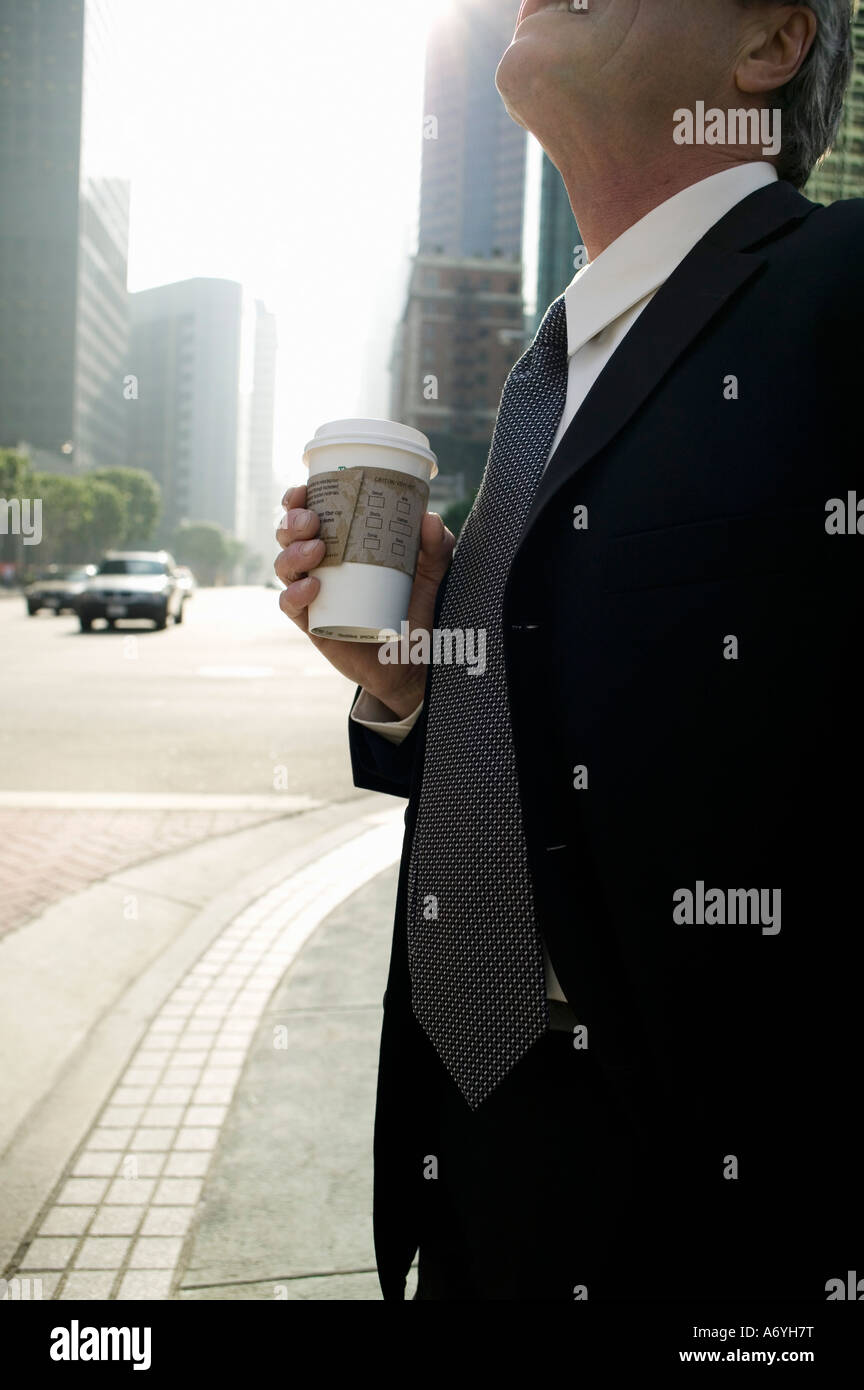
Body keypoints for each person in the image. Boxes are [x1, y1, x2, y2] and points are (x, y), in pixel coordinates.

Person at [276, 0, 862, 1301]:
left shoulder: (838, 293)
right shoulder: (560, 370)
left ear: (767, 44)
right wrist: (411, 688)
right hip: (473, 1160)